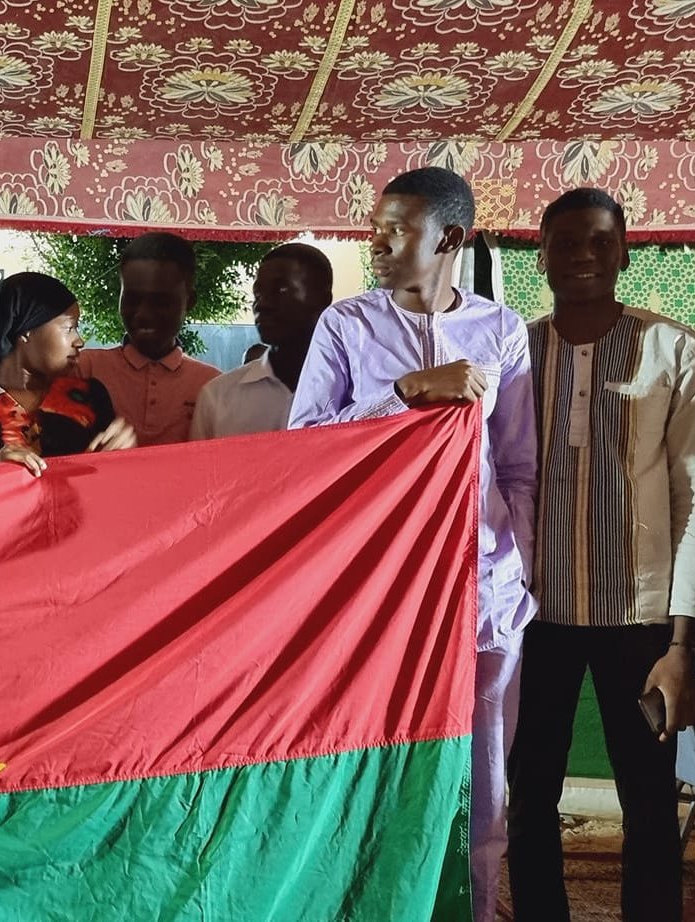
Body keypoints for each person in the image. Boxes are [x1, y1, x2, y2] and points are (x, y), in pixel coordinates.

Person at [287, 166, 537, 922]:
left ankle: (480, 905)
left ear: (450, 239)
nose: (377, 242)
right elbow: (302, 445)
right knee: (380, 753)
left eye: (397, 229)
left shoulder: (500, 331)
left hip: (481, 592)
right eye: (377, 226)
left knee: (484, 770)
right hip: (375, 589)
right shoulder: (346, 326)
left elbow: (517, 463)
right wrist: (403, 392)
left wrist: (511, 560)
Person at [507, 189, 695, 922]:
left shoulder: (673, 351)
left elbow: (693, 498)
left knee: (647, 802)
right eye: (564, 242)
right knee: (528, 797)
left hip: (641, 620)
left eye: (597, 241)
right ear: (542, 253)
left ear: (622, 251)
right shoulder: (512, 351)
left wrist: (681, 644)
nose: (581, 255)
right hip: (533, 616)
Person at [0, 272, 136, 474]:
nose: (79, 341)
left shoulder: (89, 396)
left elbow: (112, 480)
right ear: (27, 330)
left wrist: (123, 455)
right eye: (69, 328)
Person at [74, 232, 220, 445]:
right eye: (132, 299)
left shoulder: (212, 386)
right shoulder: (84, 369)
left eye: (160, 301)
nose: (143, 313)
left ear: (189, 301)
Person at [191, 244, 333, 439]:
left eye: (281, 289)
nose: (262, 304)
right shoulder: (218, 398)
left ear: (323, 299)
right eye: (258, 293)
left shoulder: (354, 393)